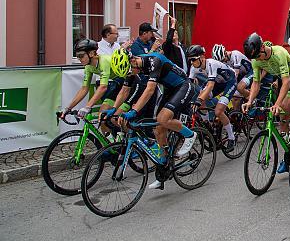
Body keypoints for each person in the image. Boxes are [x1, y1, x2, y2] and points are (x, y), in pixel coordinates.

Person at [119, 50, 200, 190]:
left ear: (133, 62)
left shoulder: (153, 60)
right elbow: (124, 90)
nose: (131, 74)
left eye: (130, 71)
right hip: (170, 89)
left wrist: (134, 111)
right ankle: (163, 169)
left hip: (184, 86)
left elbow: (150, 90)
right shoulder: (133, 65)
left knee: (163, 119)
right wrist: (114, 110)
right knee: (158, 129)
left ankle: (190, 134)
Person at [242, 33, 290, 173]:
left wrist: (277, 103)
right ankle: (289, 155)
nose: (258, 60)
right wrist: (249, 101)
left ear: (263, 47)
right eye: (255, 58)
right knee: (282, 119)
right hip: (282, 80)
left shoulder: (279, 52)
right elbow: (256, 82)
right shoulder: (256, 60)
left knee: (282, 106)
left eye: (259, 56)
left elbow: (287, 81)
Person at [62, 39, 125, 132]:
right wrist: (68, 108)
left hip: (127, 83)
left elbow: (103, 87)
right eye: (77, 56)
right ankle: (111, 144)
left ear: (91, 53)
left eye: (81, 56)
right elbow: (84, 89)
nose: (79, 59)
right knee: (102, 117)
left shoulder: (104, 61)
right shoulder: (88, 67)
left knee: (116, 119)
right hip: (117, 84)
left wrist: (88, 106)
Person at [187, 45, 238, 152]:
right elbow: (189, 86)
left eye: (193, 59)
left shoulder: (211, 64)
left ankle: (231, 137)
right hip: (218, 83)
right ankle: (207, 126)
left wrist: (198, 100)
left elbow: (210, 86)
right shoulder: (193, 68)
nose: (192, 62)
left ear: (201, 57)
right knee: (201, 97)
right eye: (189, 60)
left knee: (218, 111)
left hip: (229, 82)